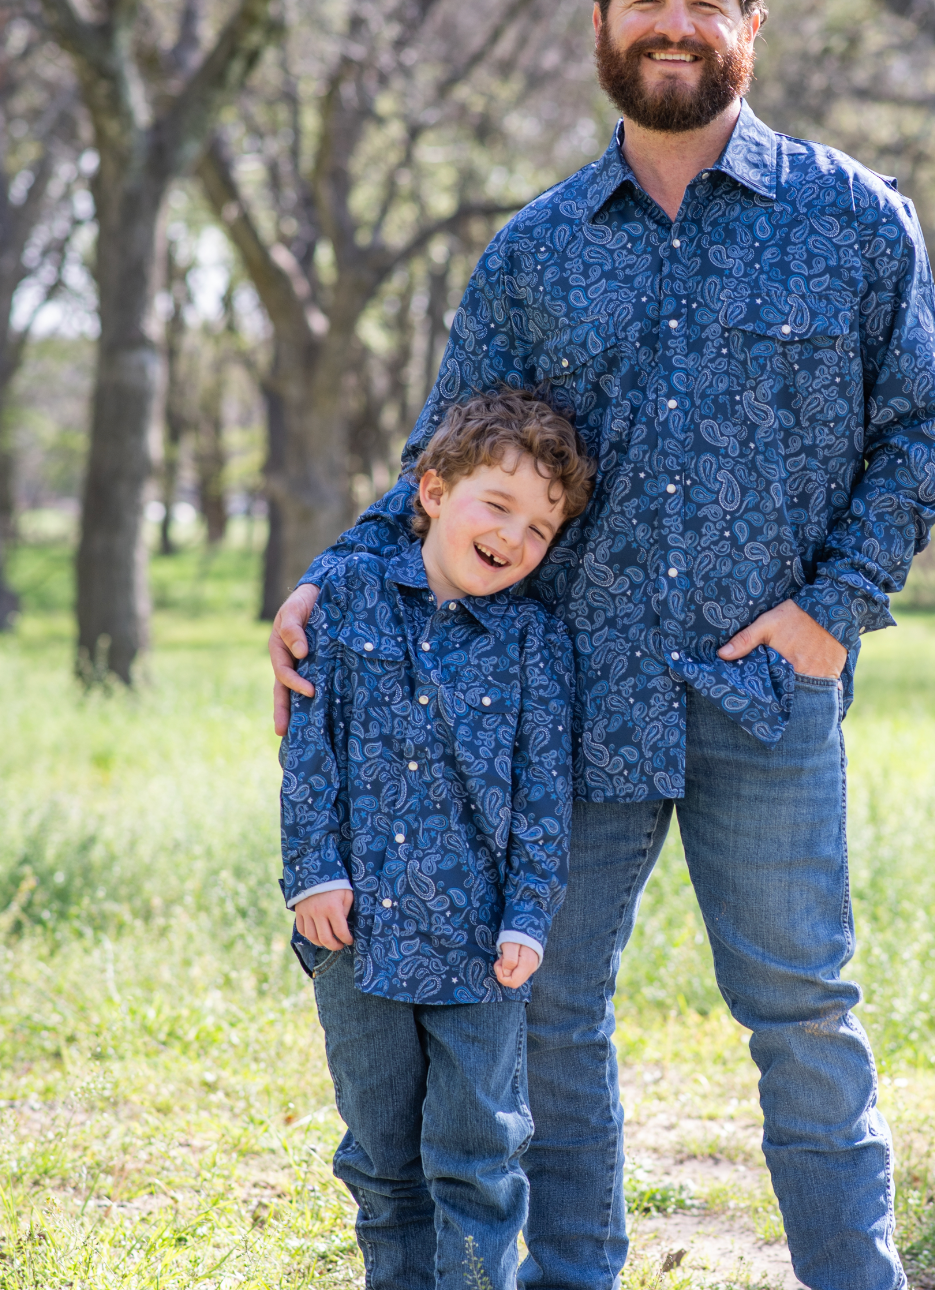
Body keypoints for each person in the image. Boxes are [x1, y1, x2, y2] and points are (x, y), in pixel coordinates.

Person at [272, 0, 935, 1290]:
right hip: (568, 695)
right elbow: (439, 465)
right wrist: (324, 582)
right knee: (552, 1014)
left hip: (771, 694)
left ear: (749, 24)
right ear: (601, 21)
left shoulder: (856, 224)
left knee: (803, 1010)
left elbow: (916, 443)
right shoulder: (531, 254)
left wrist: (831, 613)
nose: (674, 22)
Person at [280, 388, 596, 1290]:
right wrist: (314, 876)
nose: (514, 538)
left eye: (540, 529)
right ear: (431, 491)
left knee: (479, 1153)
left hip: (480, 950)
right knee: (382, 1158)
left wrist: (528, 919)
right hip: (355, 935)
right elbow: (310, 754)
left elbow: (544, 799)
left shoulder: (538, 644)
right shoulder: (343, 599)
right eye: (497, 505)